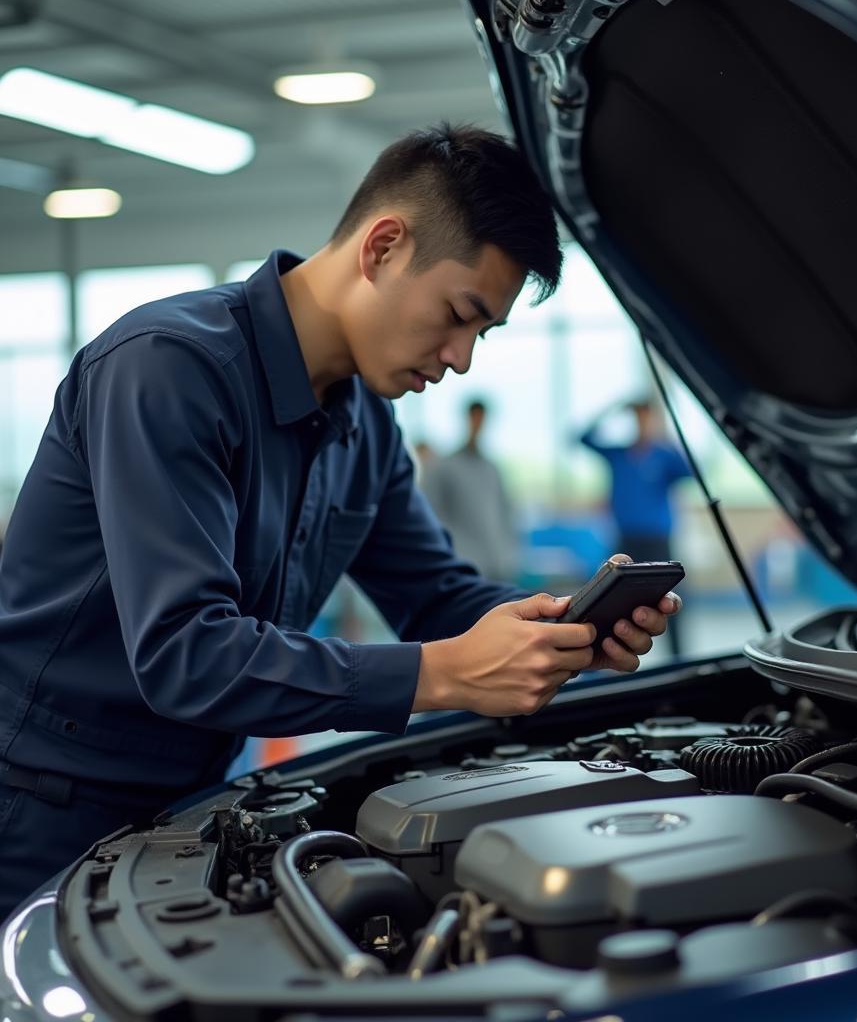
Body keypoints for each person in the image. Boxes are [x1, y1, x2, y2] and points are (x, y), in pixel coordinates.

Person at [0, 125, 680, 919]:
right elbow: (186, 653)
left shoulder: (366, 425)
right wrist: (445, 674)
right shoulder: (167, 367)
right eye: (459, 314)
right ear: (383, 246)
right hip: (40, 804)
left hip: (192, 802)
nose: (461, 358)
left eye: (482, 333)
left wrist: (559, 632)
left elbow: (435, 597)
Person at [580, 399, 691, 653]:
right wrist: (612, 410)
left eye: (645, 417)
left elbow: (690, 471)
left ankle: (678, 655)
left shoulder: (663, 455)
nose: (641, 422)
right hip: (626, 538)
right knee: (610, 594)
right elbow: (583, 437)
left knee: (671, 596)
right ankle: (606, 649)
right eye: (637, 417)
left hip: (657, 538)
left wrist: (667, 436)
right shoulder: (618, 454)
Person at [420, 399, 519, 581]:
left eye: (482, 419)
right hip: (463, 564)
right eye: (475, 418)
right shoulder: (445, 467)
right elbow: (432, 516)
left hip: (496, 565)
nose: (478, 424)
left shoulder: (491, 468)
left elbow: (505, 513)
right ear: (468, 419)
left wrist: (507, 554)